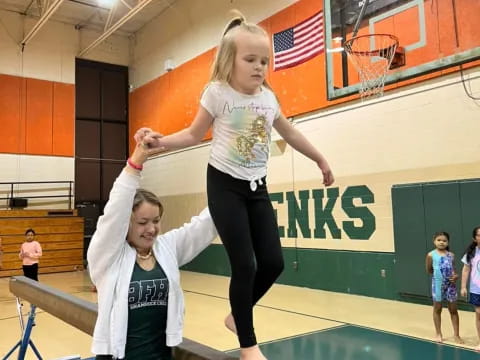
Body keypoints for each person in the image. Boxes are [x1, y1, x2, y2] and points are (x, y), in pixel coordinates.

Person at [135, 12, 334, 360]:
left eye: (265, 61)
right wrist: (160, 142)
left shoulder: (268, 99)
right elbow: (195, 133)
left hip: (256, 188)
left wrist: (320, 158)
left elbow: (290, 133)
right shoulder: (218, 93)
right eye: (251, 60)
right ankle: (248, 344)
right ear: (230, 61)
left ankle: (236, 315)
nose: (259, 67)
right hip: (224, 185)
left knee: (273, 263)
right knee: (245, 265)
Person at [87, 134, 218, 360]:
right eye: (142, 222)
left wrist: (234, 190)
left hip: (160, 356)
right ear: (125, 224)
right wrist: (135, 163)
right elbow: (115, 212)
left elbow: (203, 226)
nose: (151, 229)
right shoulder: (107, 256)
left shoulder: (165, 248)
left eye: (156, 221)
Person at [425, 231, 462, 343]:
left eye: (444, 240)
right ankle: (438, 333)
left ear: (448, 242)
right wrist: (439, 277)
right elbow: (429, 270)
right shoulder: (431, 255)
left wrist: (456, 276)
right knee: (437, 309)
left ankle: (456, 335)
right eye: (439, 240)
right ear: (434, 241)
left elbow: (454, 271)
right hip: (437, 285)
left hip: (451, 286)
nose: (441, 242)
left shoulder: (451, 255)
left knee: (453, 310)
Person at [461, 226, 480, 351]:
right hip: (476, 290)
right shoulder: (471, 253)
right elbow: (466, 269)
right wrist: (463, 286)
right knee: (478, 314)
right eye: (479, 235)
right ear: (475, 238)